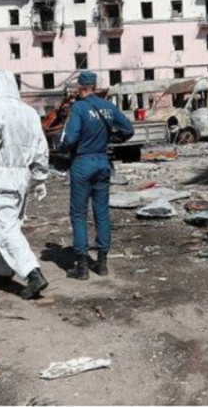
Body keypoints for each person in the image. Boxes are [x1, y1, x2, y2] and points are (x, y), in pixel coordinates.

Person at [0, 70, 49, 299]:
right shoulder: (30, 112)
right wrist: (39, 177)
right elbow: (41, 147)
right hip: (22, 177)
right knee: (10, 225)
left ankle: (32, 273)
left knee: (3, 227)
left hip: (1, 175)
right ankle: (1, 271)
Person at [61, 71, 134, 280]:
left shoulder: (79, 108)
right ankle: (102, 263)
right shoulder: (109, 107)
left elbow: (71, 137)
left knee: (79, 214)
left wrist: (65, 148)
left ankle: (82, 266)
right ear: (94, 85)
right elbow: (128, 129)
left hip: (83, 162)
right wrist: (112, 138)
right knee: (101, 212)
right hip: (103, 162)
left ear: (81, 86)